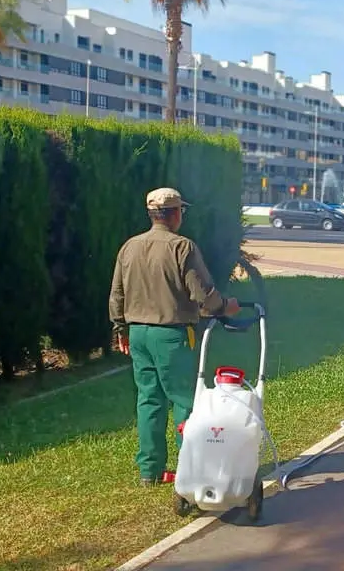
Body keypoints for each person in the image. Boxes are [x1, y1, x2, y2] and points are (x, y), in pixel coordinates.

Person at [109, 187, 241, 486]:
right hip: (171, 334)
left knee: (149, 400)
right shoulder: (182, 248)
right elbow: (203, 294)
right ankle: (190, 466)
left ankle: (150, 470)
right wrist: (225, 307)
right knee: (184, 399)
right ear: (174, 214)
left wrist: (120, 327)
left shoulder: (129, 247)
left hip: (139, 333)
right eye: (182, 210)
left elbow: (117, 292)